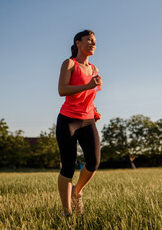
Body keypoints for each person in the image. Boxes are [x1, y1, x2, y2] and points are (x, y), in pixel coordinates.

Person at [56, 30, 102, 216]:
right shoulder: (69, 63)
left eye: (95, 41)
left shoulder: (94, 69)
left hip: (88, 119)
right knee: (68, 165)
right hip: (68, 120)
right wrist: (87, 86)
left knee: (94, 161)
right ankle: (66, 212)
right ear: (78, 43)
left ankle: (77, 191)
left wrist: (94, 110)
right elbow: (62, 90)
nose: (93, 43)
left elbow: (89, 95)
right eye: (89, 40)